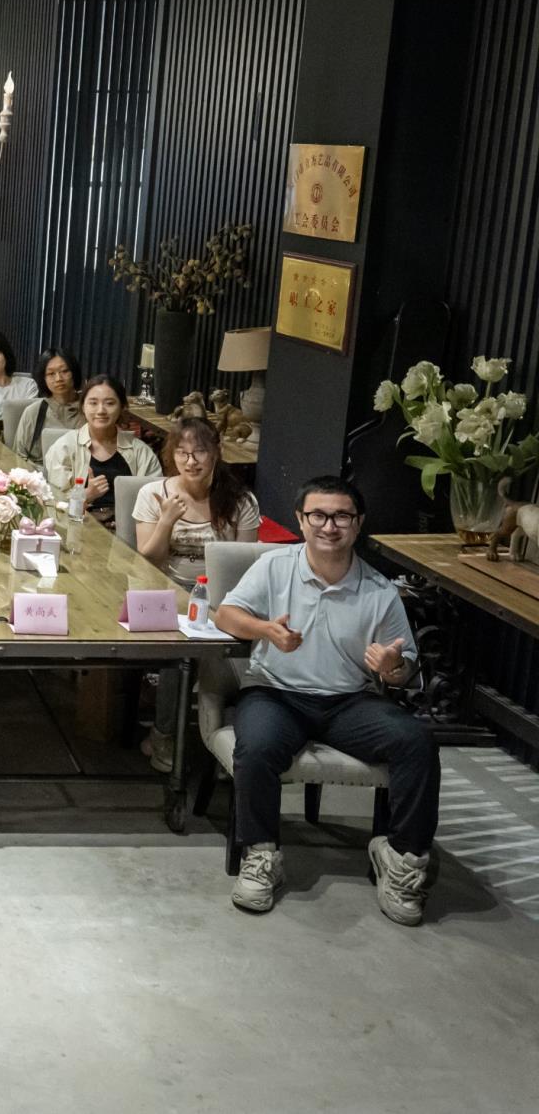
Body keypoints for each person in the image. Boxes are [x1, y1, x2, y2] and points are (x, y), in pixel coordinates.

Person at [212, 476, 436, 925]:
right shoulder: (275, 566)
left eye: (341, 517)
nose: (329, 526)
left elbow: (406, 669)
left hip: (348, 701)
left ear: (358, 523)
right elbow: (225, 614)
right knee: (257, 746)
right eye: (318, 515)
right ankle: (261, 855)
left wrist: (392, 666)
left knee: (417, 742)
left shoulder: (379, 590)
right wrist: (265, 630)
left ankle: (401, 859)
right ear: (301, 520)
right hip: (276, 691)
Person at [133, 417, 261, 771]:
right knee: (180, 652)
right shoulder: (153, 493)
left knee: (235, 651)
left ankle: (233, 738)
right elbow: (149, 560)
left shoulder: (240, 500)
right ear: (171, 455)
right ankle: (164, 734)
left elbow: (245, 567)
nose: (191, 461)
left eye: (200, 452)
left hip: (224, 597)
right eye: (182, 453)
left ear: (216, 453)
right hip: (168, 592)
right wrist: (166, 521)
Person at [42, 374, 160, 525]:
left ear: (122, 407)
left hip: (128, 529)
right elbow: (55, 504)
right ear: (83, 406)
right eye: (93, 403)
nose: (101, 410)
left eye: (110, 403)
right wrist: (86, 495)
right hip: (78, 526)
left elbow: (154, 502)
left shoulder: (141, 452)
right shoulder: (64, 447)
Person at [14, 346, 84, 461]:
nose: (58, 378)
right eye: (51, 373)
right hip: (38, 470)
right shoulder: (33, 412)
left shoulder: (89, 410)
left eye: (64, 371)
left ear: (74, 373)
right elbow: (19, 456)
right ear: (44, 379)